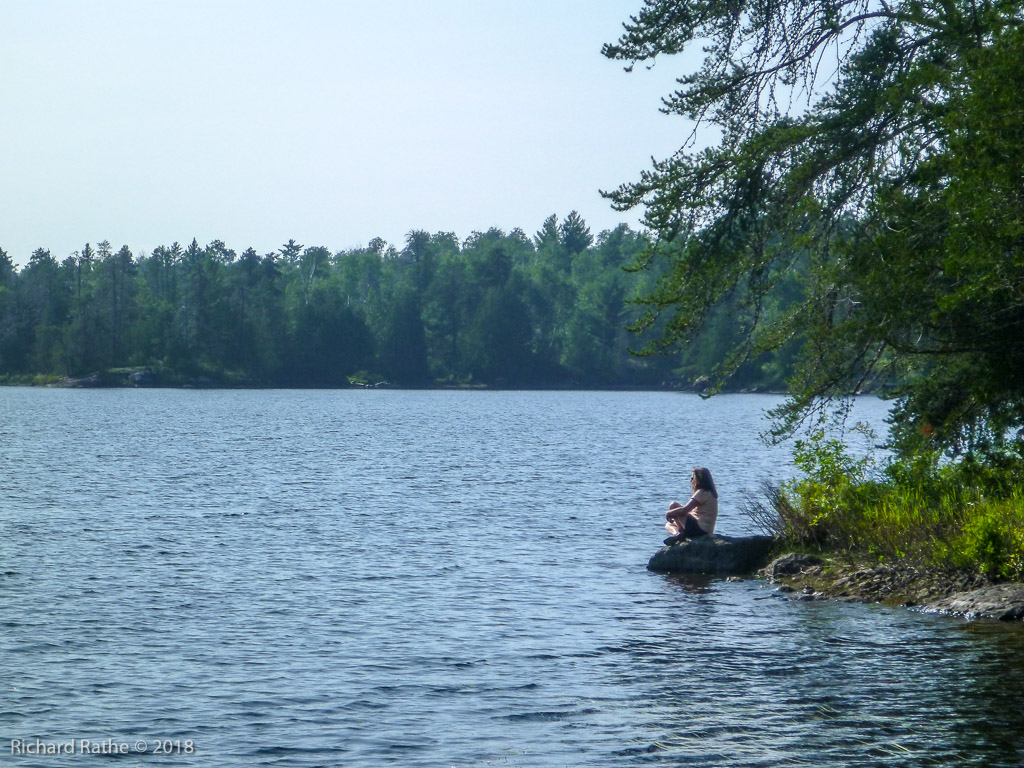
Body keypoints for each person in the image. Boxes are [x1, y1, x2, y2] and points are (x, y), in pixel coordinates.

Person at [664, 466, 719, 545]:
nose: (691, 481)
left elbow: (685, 510)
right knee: (669, 525)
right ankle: (678, 534)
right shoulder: (711, 493)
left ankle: (679, 534)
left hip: (700, 529)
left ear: (698, 480)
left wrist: (669, 513)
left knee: (673, 505)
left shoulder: (702, 492)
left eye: (692, 478)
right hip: (705, 529)